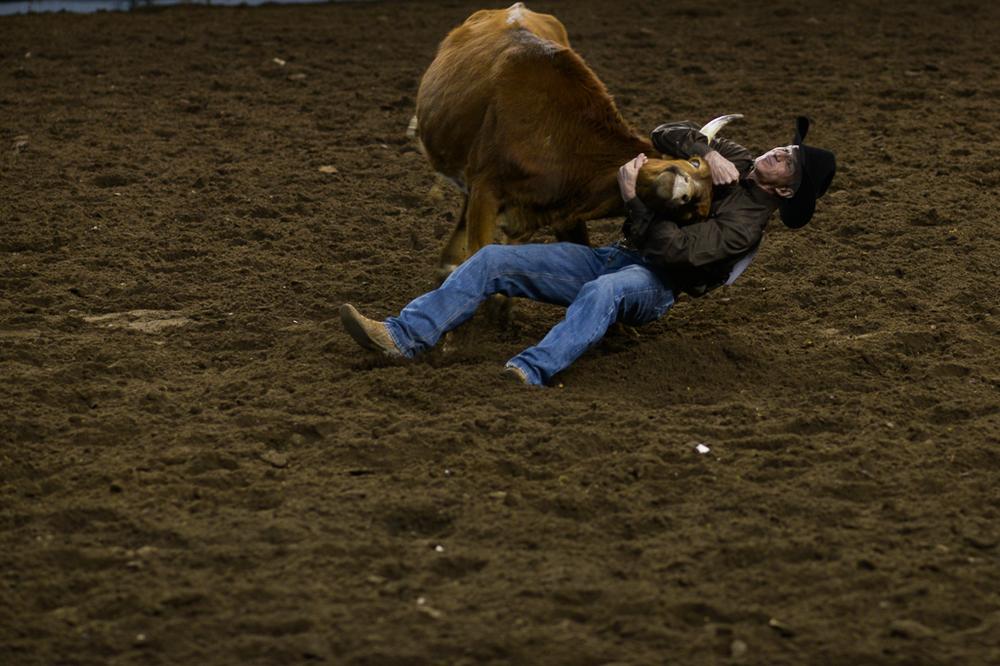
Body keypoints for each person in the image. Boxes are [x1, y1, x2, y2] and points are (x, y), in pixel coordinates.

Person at [340, 116, 836, 386]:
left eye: (789, 162)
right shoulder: (737, 158)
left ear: (785, 191)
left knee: (605, 291)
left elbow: (674, 253)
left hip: (655, 285)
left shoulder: (745, 229)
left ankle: (529, 370)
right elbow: (665, 132)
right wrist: (707, 153)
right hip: (617, 256)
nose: (779, 151)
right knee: (493, 259)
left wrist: (632, 200)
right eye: (787, 147)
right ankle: (404, 336)